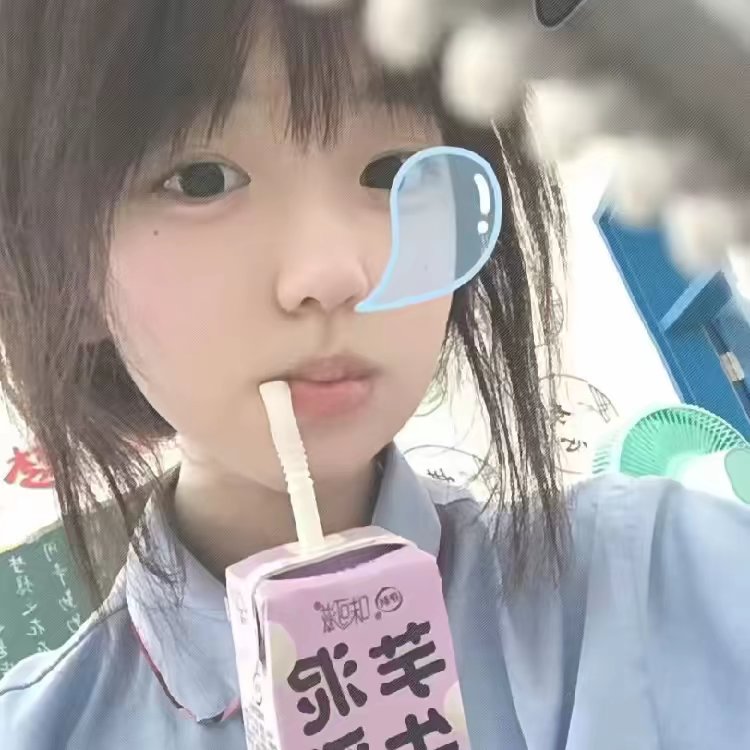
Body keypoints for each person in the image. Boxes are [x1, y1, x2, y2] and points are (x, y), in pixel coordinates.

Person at [0, 1, 748, 748]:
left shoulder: (664, 581)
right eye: (201, 179)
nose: (333, 273)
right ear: (65, 268)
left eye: (391, 171)